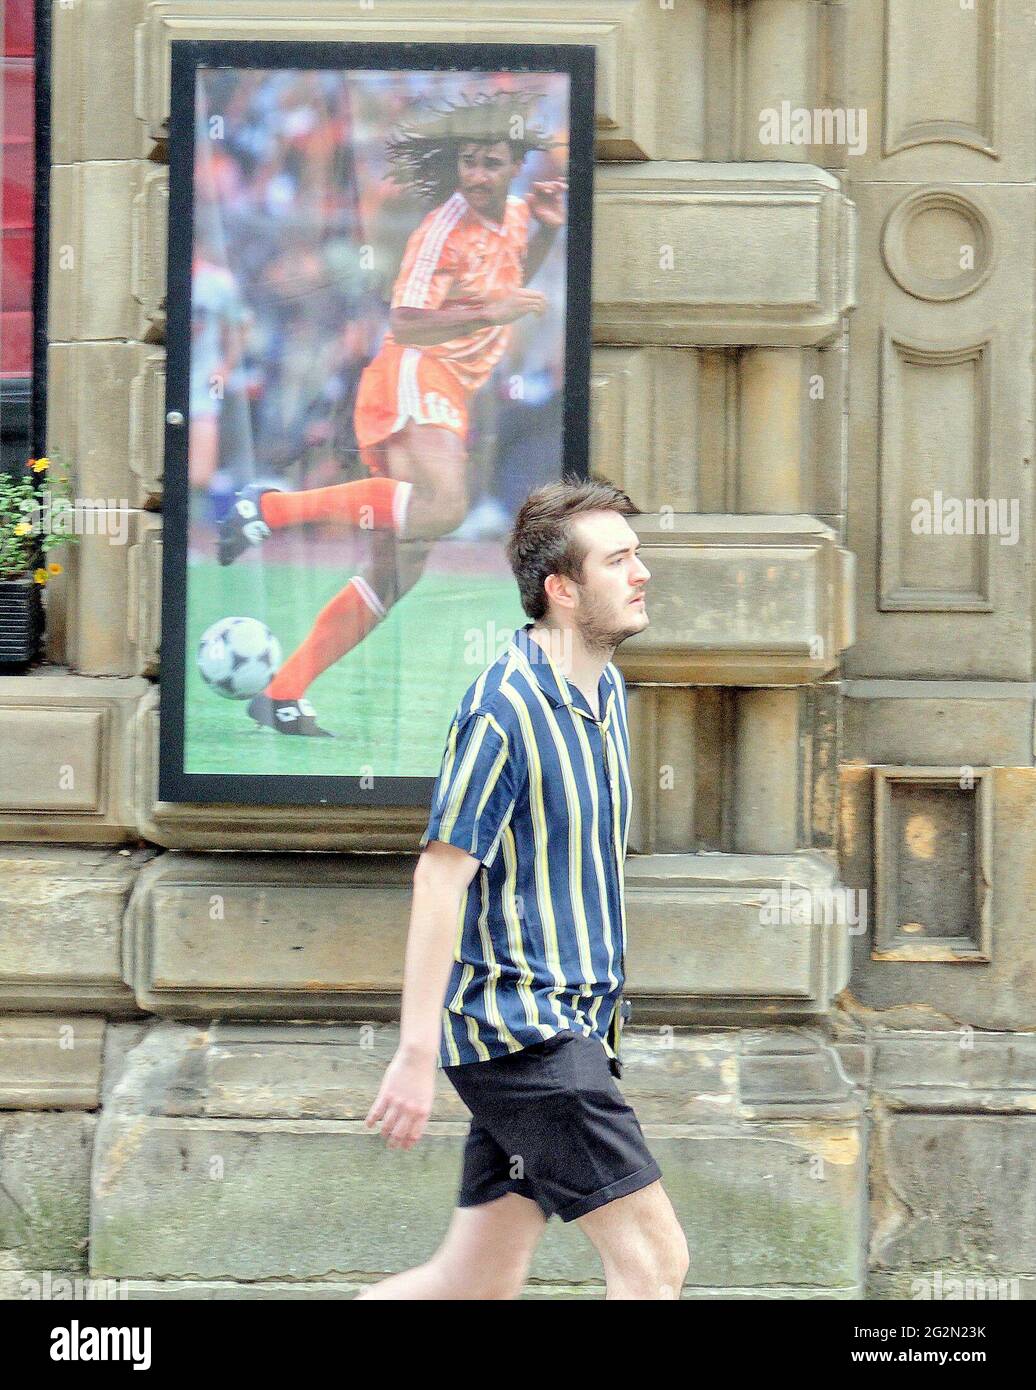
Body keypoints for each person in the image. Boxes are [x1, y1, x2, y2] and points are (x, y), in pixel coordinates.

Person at [357, 476, 690, 1301]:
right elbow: (441, 877)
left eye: (637, 554)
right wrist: (413, 1050)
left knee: (473, 1280)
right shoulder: (501, 709)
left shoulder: (605, 691)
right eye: (618, 561)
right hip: (526, 1038)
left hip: (573, 1031)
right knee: (654, 1263)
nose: (641, 572)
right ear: (563, 589)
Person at [216, 89, 566, 738]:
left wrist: (545, 231)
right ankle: (268, 509)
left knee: (398, 571)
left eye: (491, 162)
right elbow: (406, 319)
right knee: (443, 505)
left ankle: (282, 693)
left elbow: (510, 283)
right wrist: (489, 313)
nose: (479, 174)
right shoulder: (441, 230)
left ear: (514, 163)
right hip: (413, 371)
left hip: (451, 388)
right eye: (469, 162)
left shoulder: (516, 216)